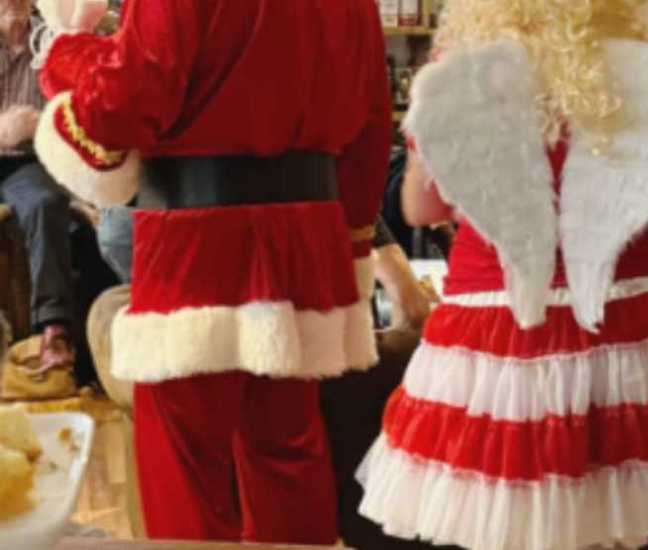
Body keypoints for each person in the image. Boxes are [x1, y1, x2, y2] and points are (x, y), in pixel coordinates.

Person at [356, 2, 648, 549]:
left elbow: (420, 208)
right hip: (623, 319)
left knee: (506, 511)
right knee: (618, 511)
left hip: (497, 324)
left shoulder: (456, 78)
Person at [33, 0, 390, 544]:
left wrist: (66, 52)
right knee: (288, 457)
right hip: (305, 240)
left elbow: (123, 104)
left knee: (186, 467)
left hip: (195, 242)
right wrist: (352, 247)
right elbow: (370, 128)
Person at [0, 0, 76, 376]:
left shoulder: (51, 39)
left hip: (28, 161)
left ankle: (53, 329)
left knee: (46, 203)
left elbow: (74, 108)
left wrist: (40, 123)